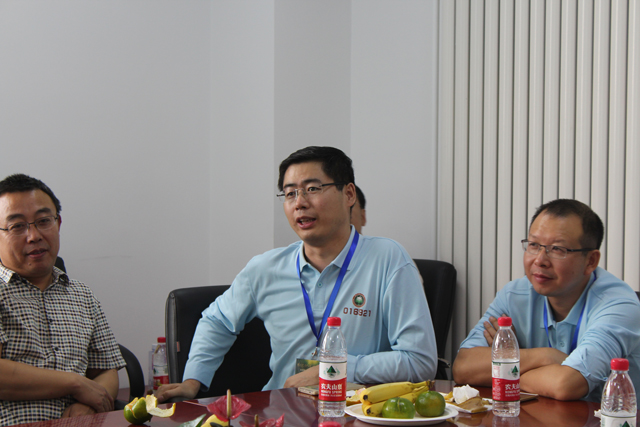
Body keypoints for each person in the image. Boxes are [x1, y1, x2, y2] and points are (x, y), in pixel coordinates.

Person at [157, 146, 437, 401]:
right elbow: (217, 321)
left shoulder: (388, 259)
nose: (299, 203)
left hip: (357, 414)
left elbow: (420, 361)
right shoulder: (265, 268)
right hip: (280, 412)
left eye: (312, 189)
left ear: (349, 194)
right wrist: (193, 380)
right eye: (290, 193)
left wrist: (337, 368)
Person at [452, 199, 640, 403]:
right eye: (533, 245)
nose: (540, 260)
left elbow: (566, 385)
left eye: (558, 249)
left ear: (590, 261)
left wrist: (505, 369)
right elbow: (463, 368)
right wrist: (546, 356)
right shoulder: (514, 295)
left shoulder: (619, 305)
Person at [0, 174, 125, 425]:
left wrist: (89, 405)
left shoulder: (83, 295)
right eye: (17, 226)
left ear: (58, 223)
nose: (34, 236)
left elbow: (106, 370)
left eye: (43, 221)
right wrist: (75, 383)